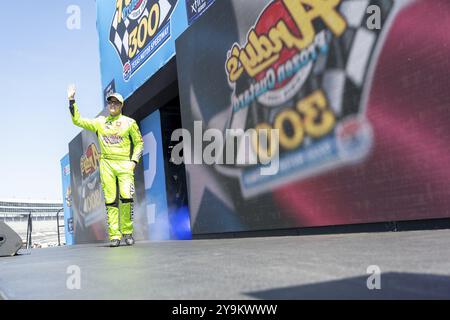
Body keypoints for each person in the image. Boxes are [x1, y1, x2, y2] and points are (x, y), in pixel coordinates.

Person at [67, 85, 144, 247]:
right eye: (110, 103)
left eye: (116, 103)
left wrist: (133, 162)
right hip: (107, 163)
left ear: (122, 105)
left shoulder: (129, 123)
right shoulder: (101, 122)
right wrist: (71, 100)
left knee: (126, 197)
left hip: (124, 164)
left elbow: (139, 143)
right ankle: (115, 236)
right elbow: (78, 120)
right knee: (110, 201)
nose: (113, 105)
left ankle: (127, 232)